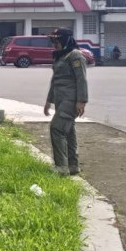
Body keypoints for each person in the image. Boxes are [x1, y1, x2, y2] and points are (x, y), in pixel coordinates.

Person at [44, 28, 88, 176]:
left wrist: (81, 101)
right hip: (61, 100)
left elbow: (81, 79)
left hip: (71, 100)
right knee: (68, 131)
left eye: (57, 41)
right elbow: (55, 80)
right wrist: (48, 101)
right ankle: (73, 165)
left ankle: (61, 167)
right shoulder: (61, 56)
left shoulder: (75, 56)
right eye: (53, 41)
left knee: (56, 128)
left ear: (65, 40)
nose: (54, 44)